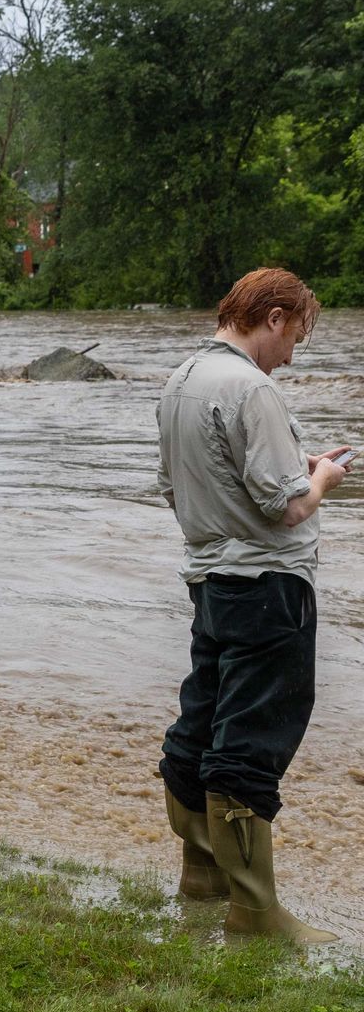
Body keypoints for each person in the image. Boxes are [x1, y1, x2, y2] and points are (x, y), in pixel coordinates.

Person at [156, 268, 344, 945]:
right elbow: (288, 505)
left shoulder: (180, 381)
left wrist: (294, 465)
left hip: (210, 582)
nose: (293, 352)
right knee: (253, 740)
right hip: (269, 588)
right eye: (295, 333)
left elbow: (176, 489)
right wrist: (321, 475)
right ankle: (257, 916)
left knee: (202, 722)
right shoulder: (251, 386)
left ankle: (202, 878)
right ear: (272, 316)